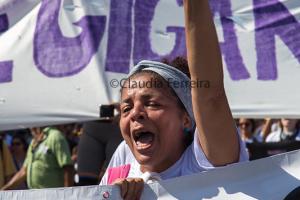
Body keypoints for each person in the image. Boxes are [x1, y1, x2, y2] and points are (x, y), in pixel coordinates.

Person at [99, 0, 248, 199]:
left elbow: (211, 96)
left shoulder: (205, 162)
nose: (135, 113)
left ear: (186, 118)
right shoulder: (124, 156)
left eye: (152, 103)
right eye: (126, 109)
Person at [1, 126, 73, 190]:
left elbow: (68, 167)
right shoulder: (33, 142)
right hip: (35, 195)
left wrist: (67, 193)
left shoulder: (55, 136)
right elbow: (24, 171)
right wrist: (5, 189)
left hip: (53, 194)